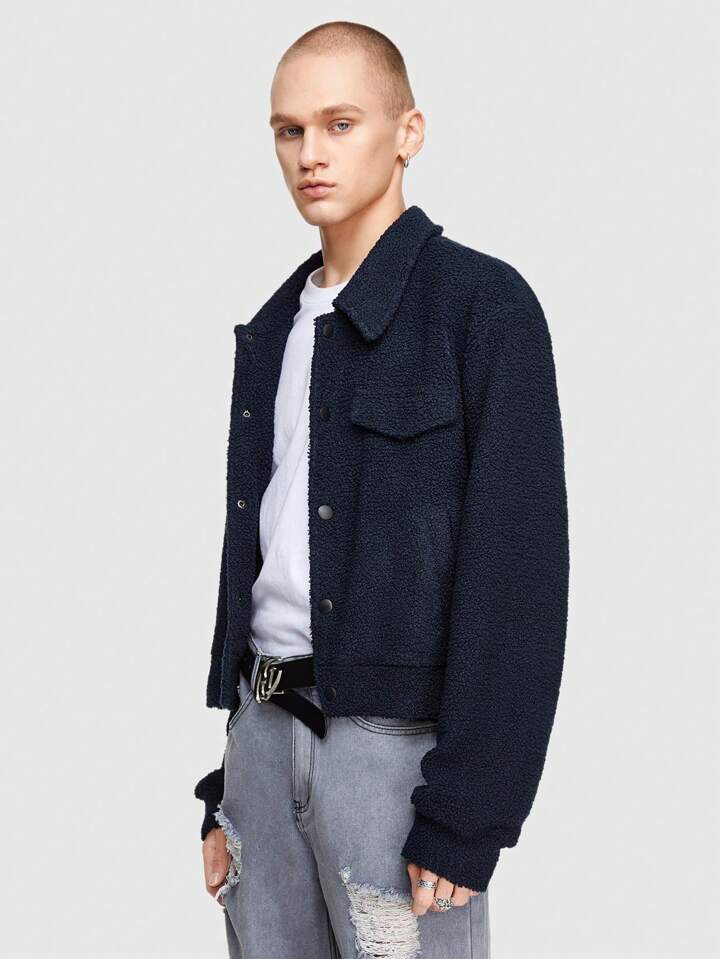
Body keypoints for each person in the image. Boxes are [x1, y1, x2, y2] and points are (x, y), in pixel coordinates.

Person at [194, 19, 569, 959]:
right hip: (260, 743)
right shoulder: (273, 330)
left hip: (394, 761)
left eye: (339, 123)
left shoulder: (482, 309)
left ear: (408, 132)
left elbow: (517, 577)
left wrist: (470, 813)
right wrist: (222, 784)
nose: (310, 154)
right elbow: (267, 563)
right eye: (289, 131)